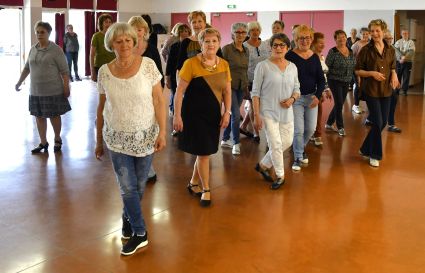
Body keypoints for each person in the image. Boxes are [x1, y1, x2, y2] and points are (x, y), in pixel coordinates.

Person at [95, 23, 166, 255]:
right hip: (116, 137)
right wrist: (98, 140)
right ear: (111, 44)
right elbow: (101, 107)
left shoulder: (148, 65)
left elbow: (158, 100)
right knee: (127, 188)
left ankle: (127, 219)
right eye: (119, 41)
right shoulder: (104, 71)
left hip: (145, 135)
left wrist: (163, 132)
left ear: (134, 42)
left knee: (138, 186)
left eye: (128, 40)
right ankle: (140, 232)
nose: (124, 44)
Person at [173, 28, 231, 207]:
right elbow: (179, 92)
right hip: (193, 115)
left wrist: (227, 112)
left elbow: (227, 91)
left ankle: (193, 183)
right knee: (204, 153)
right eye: (207, 41)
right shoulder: (190, 63)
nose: (211, 44)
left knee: (204, 151)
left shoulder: (224, 64)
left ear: (219, 42)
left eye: (214, 41)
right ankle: (206, 189)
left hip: (213, 115)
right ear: (200, 43)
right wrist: (177, 115)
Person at [252, 33, 300, 189]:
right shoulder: (263, 66)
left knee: (287, 141)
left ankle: (263, 165)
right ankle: (280, 175)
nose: (278, 48)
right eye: (275, 45)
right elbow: (255, 93)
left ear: (288, 48)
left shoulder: (292, 67)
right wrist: (256, 114)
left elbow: (297, 89)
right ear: (270, 47)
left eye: (282, 45)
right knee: (276, 144)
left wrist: (292, 99)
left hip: (287, 112)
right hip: (268, 112)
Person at [15, 21, 71, 153]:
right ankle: (43, 142)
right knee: (39, 117)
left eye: (42, 32)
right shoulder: (33, 49)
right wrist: (19, 82)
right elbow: (27, 68)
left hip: (53, 90)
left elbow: (65, 70)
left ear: (48, 33)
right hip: (35, 91)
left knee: (54, 116)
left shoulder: (56, 49)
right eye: (37, 32)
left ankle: (57, 139)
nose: (39, 34)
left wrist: (66, 86)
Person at [355, 19, 399, 167]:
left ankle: (364, 148)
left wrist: (394, 74)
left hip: (386, 90)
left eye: (377, 30)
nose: (374, 33)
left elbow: (392, 66)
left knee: (383, 123)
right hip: (371, 90)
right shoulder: (366, 50)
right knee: (377, 121)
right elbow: (358, 70)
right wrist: (372, 73)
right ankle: (374, 154)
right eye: (372, 31)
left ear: (383, 31)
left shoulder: (390, 49)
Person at [129, 16, 165, 183]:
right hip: (131, 96)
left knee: (149, 131)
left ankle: (147, 166)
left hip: (150, 94)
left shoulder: (151, 49)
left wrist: (160, 91)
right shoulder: (127, 48)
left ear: (145, 31)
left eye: (140, 29)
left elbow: (158, 72)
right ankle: (135, 164)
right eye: (134, 28)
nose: (137, 32)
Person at [285, 24, 326, 171]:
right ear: (295, 39)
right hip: (295, 98)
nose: (305, 41)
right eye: (301, 38)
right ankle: (298, 157)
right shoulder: (289, 56)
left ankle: (299, 147)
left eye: (308, 37)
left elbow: (321, 79)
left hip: (311, 98)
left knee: (310, 128)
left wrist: (317, 95)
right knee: (299, 130)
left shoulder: (314, 57)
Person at [220, 23, 249, 155]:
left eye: (243, 32)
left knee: (233, 114)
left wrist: (247, 87)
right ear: (233, 34)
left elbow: (245, 70)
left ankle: (225, 139)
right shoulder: (226, 49)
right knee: (236, 114)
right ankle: (236, 143)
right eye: (238, 32)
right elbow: (220, 70)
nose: (241, 35)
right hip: (228, 87)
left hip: (241, 87)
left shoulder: (246, 50)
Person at [241, 21, 270, 143]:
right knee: (254, 106)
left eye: (257, 30)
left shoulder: (264, 44)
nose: (255, 32)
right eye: (252, 30)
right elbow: (243, 64)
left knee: (260, 106)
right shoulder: (244, 46)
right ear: (249, 32)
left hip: (265, 79)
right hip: (250, 80)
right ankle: (256, 133)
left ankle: (243, 126)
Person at [325, 30, 356, 136]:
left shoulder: (350, 51)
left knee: (340, 103)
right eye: (339, 37)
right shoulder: (332, 51)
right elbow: (326, 67)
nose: (342, 39)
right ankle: (340, 127)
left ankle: (329, 122)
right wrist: (326, 86)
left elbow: (353, 65)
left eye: (343, 37)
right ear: (335, 39)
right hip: (334, 80)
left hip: (346, 80)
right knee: (339, 103)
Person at [166, 24, 191, 123]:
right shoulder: (174, 46)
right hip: (174, 75)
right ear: (178, 33)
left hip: (187, 76)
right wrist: (167, 77)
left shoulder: (191, 46)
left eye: (186, 31)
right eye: (182, 31)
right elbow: (170, 63)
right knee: (176, 95)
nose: (184, 33)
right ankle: (175, 117)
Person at [310, 32, 331, 147]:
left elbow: (323, 76)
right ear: (313, 43)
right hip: (312, 91)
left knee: (318, 113)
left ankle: (316, 134)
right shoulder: (310, 56)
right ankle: (315, 134)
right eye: (320, 43)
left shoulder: (321, 56)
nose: (323, 45)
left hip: (320, 91)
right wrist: (321, 91)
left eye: (324, 43)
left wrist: (326, 89)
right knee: (314, 114)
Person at [384, 30, 402, 133]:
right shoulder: (379, 49)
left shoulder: (392, 49)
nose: (390, 40)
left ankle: (391, 124)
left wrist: (396, 79)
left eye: (391, 38)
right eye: (387, 38)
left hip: (391, 80)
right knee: (380, 103)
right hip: (380, 81)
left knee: (393, 99)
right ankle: (371, 119)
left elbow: (393, 66)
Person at [90, 13, 115, 82]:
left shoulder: (114, 35)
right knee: (102, 90)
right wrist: (92, 71)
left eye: (110, 22)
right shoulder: (96, 36)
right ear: (101, 23)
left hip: (113, 66)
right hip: (100, 66)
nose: (108, 24)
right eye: (106, 22)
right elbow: (92, 55)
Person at [351, 27, 369, 114]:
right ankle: (356, 105)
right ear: (360, 35)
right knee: (358, 86)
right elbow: (351, 57)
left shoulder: (370, 44)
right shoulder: (356, 45)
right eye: (363, 34)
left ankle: (367, 104)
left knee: (366, 87)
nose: (365, 36)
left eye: (366, 34)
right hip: (357, 68)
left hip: (367, 69)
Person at [394, 29, 415, 96]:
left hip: (408, 62)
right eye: (403, 33)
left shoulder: (411, 42)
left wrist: (404, 58)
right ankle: (396, 90)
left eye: (406, 33)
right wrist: (401, 57)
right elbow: (396, 51)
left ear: (408, 34)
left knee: (406, 77)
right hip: (399, 62)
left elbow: (411, 51)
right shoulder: (398, 42)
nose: (405, 35)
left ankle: (404, 91)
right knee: (397, 76)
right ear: (401, 34)